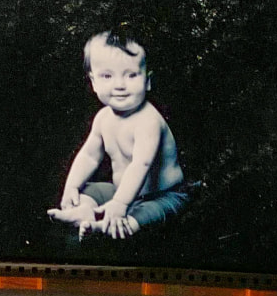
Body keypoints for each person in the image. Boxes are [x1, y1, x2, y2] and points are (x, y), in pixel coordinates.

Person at [47, 26, 188, 240]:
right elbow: (89, 156)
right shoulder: (103, 118)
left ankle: (105, 225)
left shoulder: (148, 120)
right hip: (121, 191)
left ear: (147, 81)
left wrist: (121, 204)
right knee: (90, 191)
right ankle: (85, 211)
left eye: (131, 75)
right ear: (93, 82)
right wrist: (72, 187)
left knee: (141, 216)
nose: (120, 85)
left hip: (162, 195)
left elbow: (141, 164)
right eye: (107, 76)